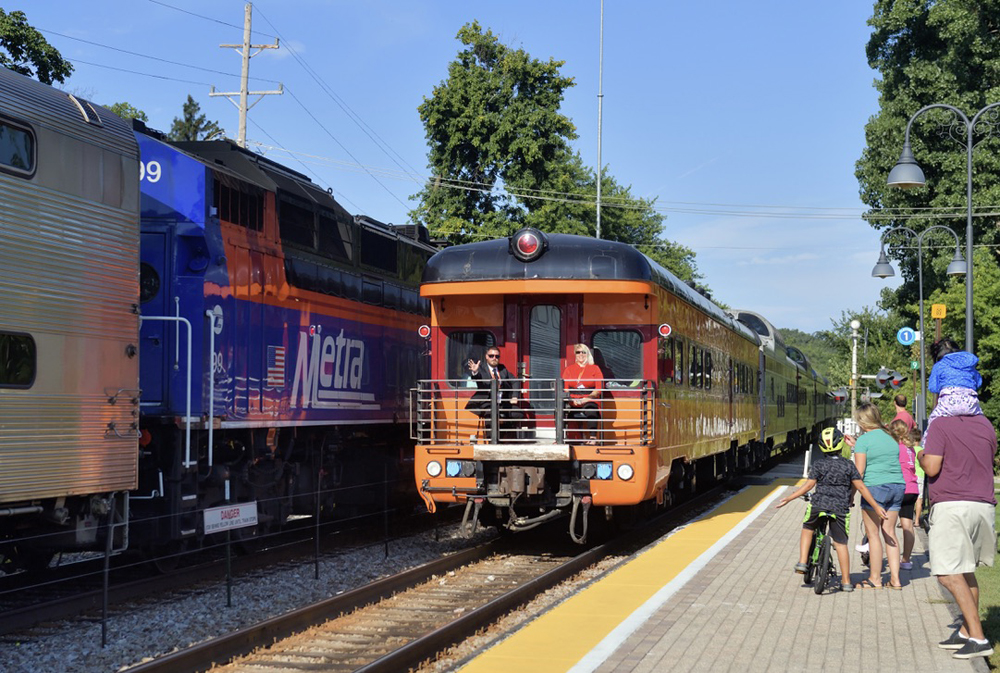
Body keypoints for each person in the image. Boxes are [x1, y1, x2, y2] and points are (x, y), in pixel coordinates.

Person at [920, 409, 997, 659]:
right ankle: (965, 631)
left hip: (953, 505)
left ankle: (978, 637)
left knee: (947, 574)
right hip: (983, 504)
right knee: (965, 570)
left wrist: (921, 455)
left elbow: (931, 467)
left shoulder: (941, 424)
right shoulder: (985, 424)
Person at [776, 427, 887, 593]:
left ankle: (802, 561)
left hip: (819, 504)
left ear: (821, 447)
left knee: (808, 528)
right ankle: (847, 581)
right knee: (841, 544)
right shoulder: (848, 466)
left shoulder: (819, 464)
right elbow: (861, 488)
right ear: (841, 445)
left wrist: (789, 498)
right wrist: (877, 507)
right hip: (840, 508)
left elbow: (808, 486)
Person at [847, 402, 906, 590]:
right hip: (897, 486)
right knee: (890, 532)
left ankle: (875, 578)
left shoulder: (864, 440)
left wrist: (851, 495)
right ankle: (896, 580)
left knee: (873, 535)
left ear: (862, 422)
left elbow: (859, 473)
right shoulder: (890, 437)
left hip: (875, 489)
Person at [925, 338, 984, 444]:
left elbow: (933, 387)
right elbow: (978, 382)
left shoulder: (939, 365)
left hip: (948, 403)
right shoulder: (969, 364)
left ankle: (926, 448)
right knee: (984, 424)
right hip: (970, 402)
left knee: (932, 423)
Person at [465, 347, 524, 438]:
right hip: (486, 402)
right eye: (491, 356)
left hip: (502, 402)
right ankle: (492, 442)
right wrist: (475, 372)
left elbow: (515, 381)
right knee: (492, 415)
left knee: (518, 413)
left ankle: (506, 439)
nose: (494, 358)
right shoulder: (480, 368)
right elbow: (478, 380)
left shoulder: (502, 368)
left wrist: (515, 396)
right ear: (486, 357)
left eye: (497, 356)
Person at [889, 419, 918, 570]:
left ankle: (870, 545)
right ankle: (906, 560)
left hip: (900, 487)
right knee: (908, 525)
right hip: (913, 489)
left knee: (887, 524)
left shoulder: (895, 447)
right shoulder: (910, 448)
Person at [562, 343, 603, 444]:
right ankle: (560, 438)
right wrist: (571, 400)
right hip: (572, 399)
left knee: (591, 410)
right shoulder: (569, 369)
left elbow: (598, 389)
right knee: (559, 409)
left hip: (589, 398)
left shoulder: (595, 368)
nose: (580, 354)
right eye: (578, 352)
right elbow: (565, 389)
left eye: (583, 352)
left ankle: (593, 437)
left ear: (587, 354)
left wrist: (586, 399)